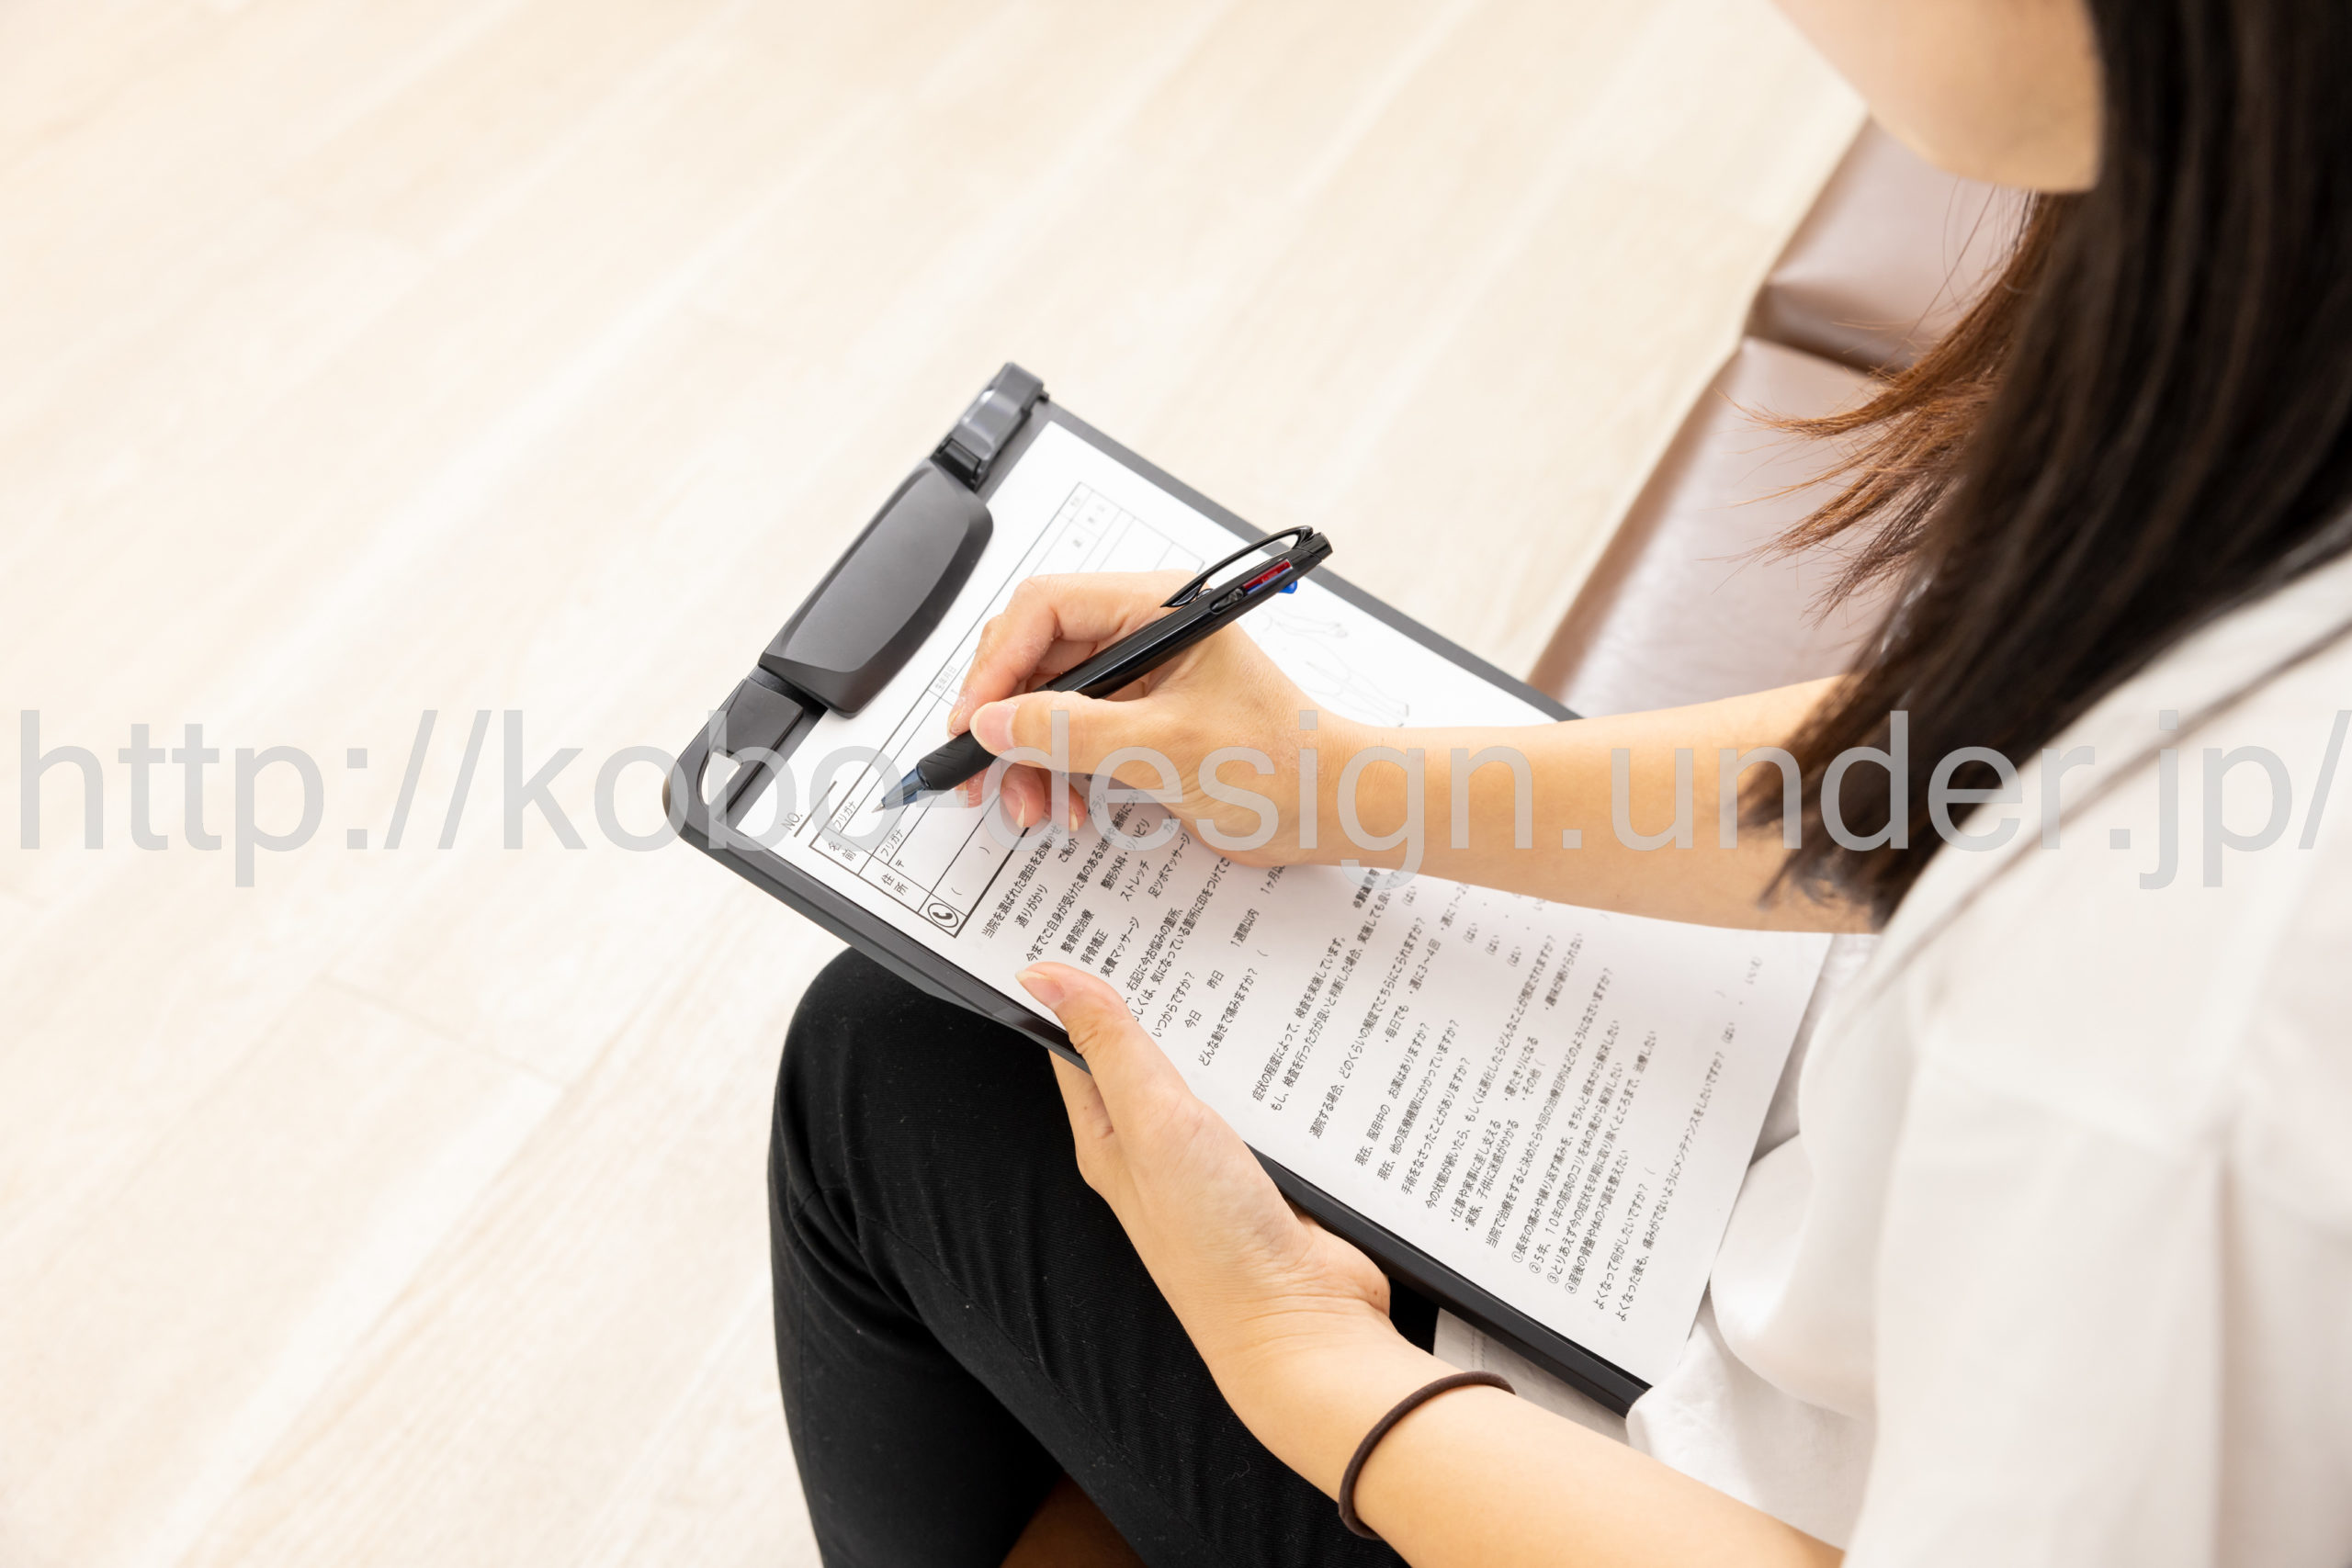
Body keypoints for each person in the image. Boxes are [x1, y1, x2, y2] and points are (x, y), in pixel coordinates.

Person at [768, 0, 2352, 1562]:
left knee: (878, 1079)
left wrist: (1304, 1358)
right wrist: (1345, 787)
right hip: (1836, 1222)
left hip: (1719, 1486)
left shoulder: (2191, 1061)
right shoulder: (2279, 335)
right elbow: (1979, 755)